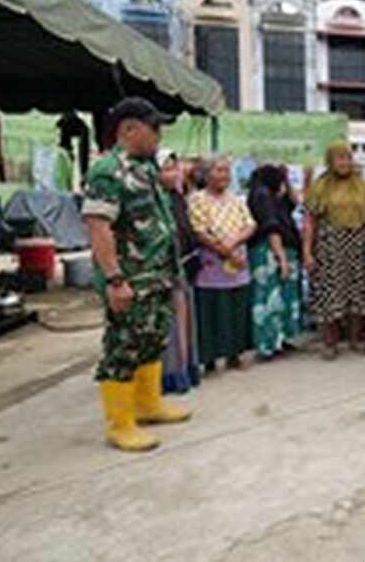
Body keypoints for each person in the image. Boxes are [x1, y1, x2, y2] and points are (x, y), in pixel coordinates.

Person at [81, 97, 190, 452]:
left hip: (156, 275)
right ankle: (120, 424)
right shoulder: (107, 171)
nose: (160, 134)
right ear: (129, 128)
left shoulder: (143, 169)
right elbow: (99, 227)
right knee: (123, 347)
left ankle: (148, 404)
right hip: (130, 278)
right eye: (153, 127)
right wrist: (115, 279)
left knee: (152, 339)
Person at [303, 141, 365, 359]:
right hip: (330, 247)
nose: (345, 162)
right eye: (340, 158)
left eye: (348, 157)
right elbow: (310, 221)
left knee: (359, 291)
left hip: (359, 245)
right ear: (330, 161)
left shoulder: (363, 185)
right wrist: (307, 252)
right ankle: (330, 343)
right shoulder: (320, 186)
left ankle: (356, 338)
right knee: (330, 293)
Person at [188, 157, 256, 373]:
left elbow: (250, 224)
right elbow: (199, 231)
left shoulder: (237, 199)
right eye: (219, 170)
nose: (224, 176)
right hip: (212, 264)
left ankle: (234, 354)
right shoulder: (197, 199)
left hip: (238, 262)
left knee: (236, 308)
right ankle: (209, 359)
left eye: (227, 171)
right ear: (207, 175)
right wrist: (225, 252)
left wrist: (234, 244)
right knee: (211, 310)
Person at [247, 164, 304, 360]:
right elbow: (271, 227)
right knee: (268, 299)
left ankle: (279, 339)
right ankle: (266, 344)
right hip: (269, 252)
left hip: (282, 249)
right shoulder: (262, 196)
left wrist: (287, 179)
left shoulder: (272, 195)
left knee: (282, 299)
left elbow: (293, 202)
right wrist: (281, 257)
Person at [157, 149, 203, 394]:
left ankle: (185, 370)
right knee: (171, 326)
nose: (172, 173)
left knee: (185, 323)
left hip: (184, 266)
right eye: (166, 168)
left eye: (173, 168)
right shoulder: (152, 200)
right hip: (164, 271)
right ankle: (170, 376)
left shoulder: (176, 196)